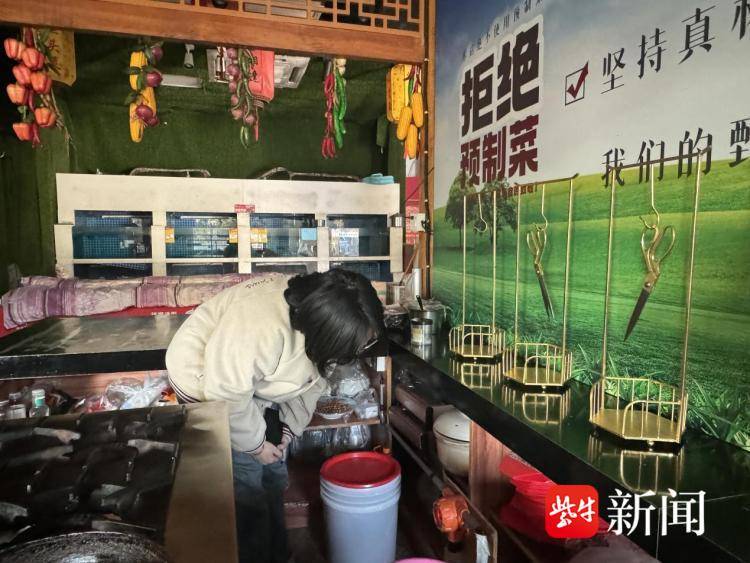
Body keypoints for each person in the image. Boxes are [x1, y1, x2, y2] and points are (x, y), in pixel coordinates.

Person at [165, 270, 385, 563]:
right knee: (246, 483)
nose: (360, 350)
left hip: (254, 386)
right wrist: (256, 446)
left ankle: (277, 553)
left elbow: (315, 378)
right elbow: (226, 395)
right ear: (323, 335)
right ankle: (256, 555)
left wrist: (288, 430)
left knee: (274, 474)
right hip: (207, 382)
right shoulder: (258, 327)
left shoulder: (322, 316)